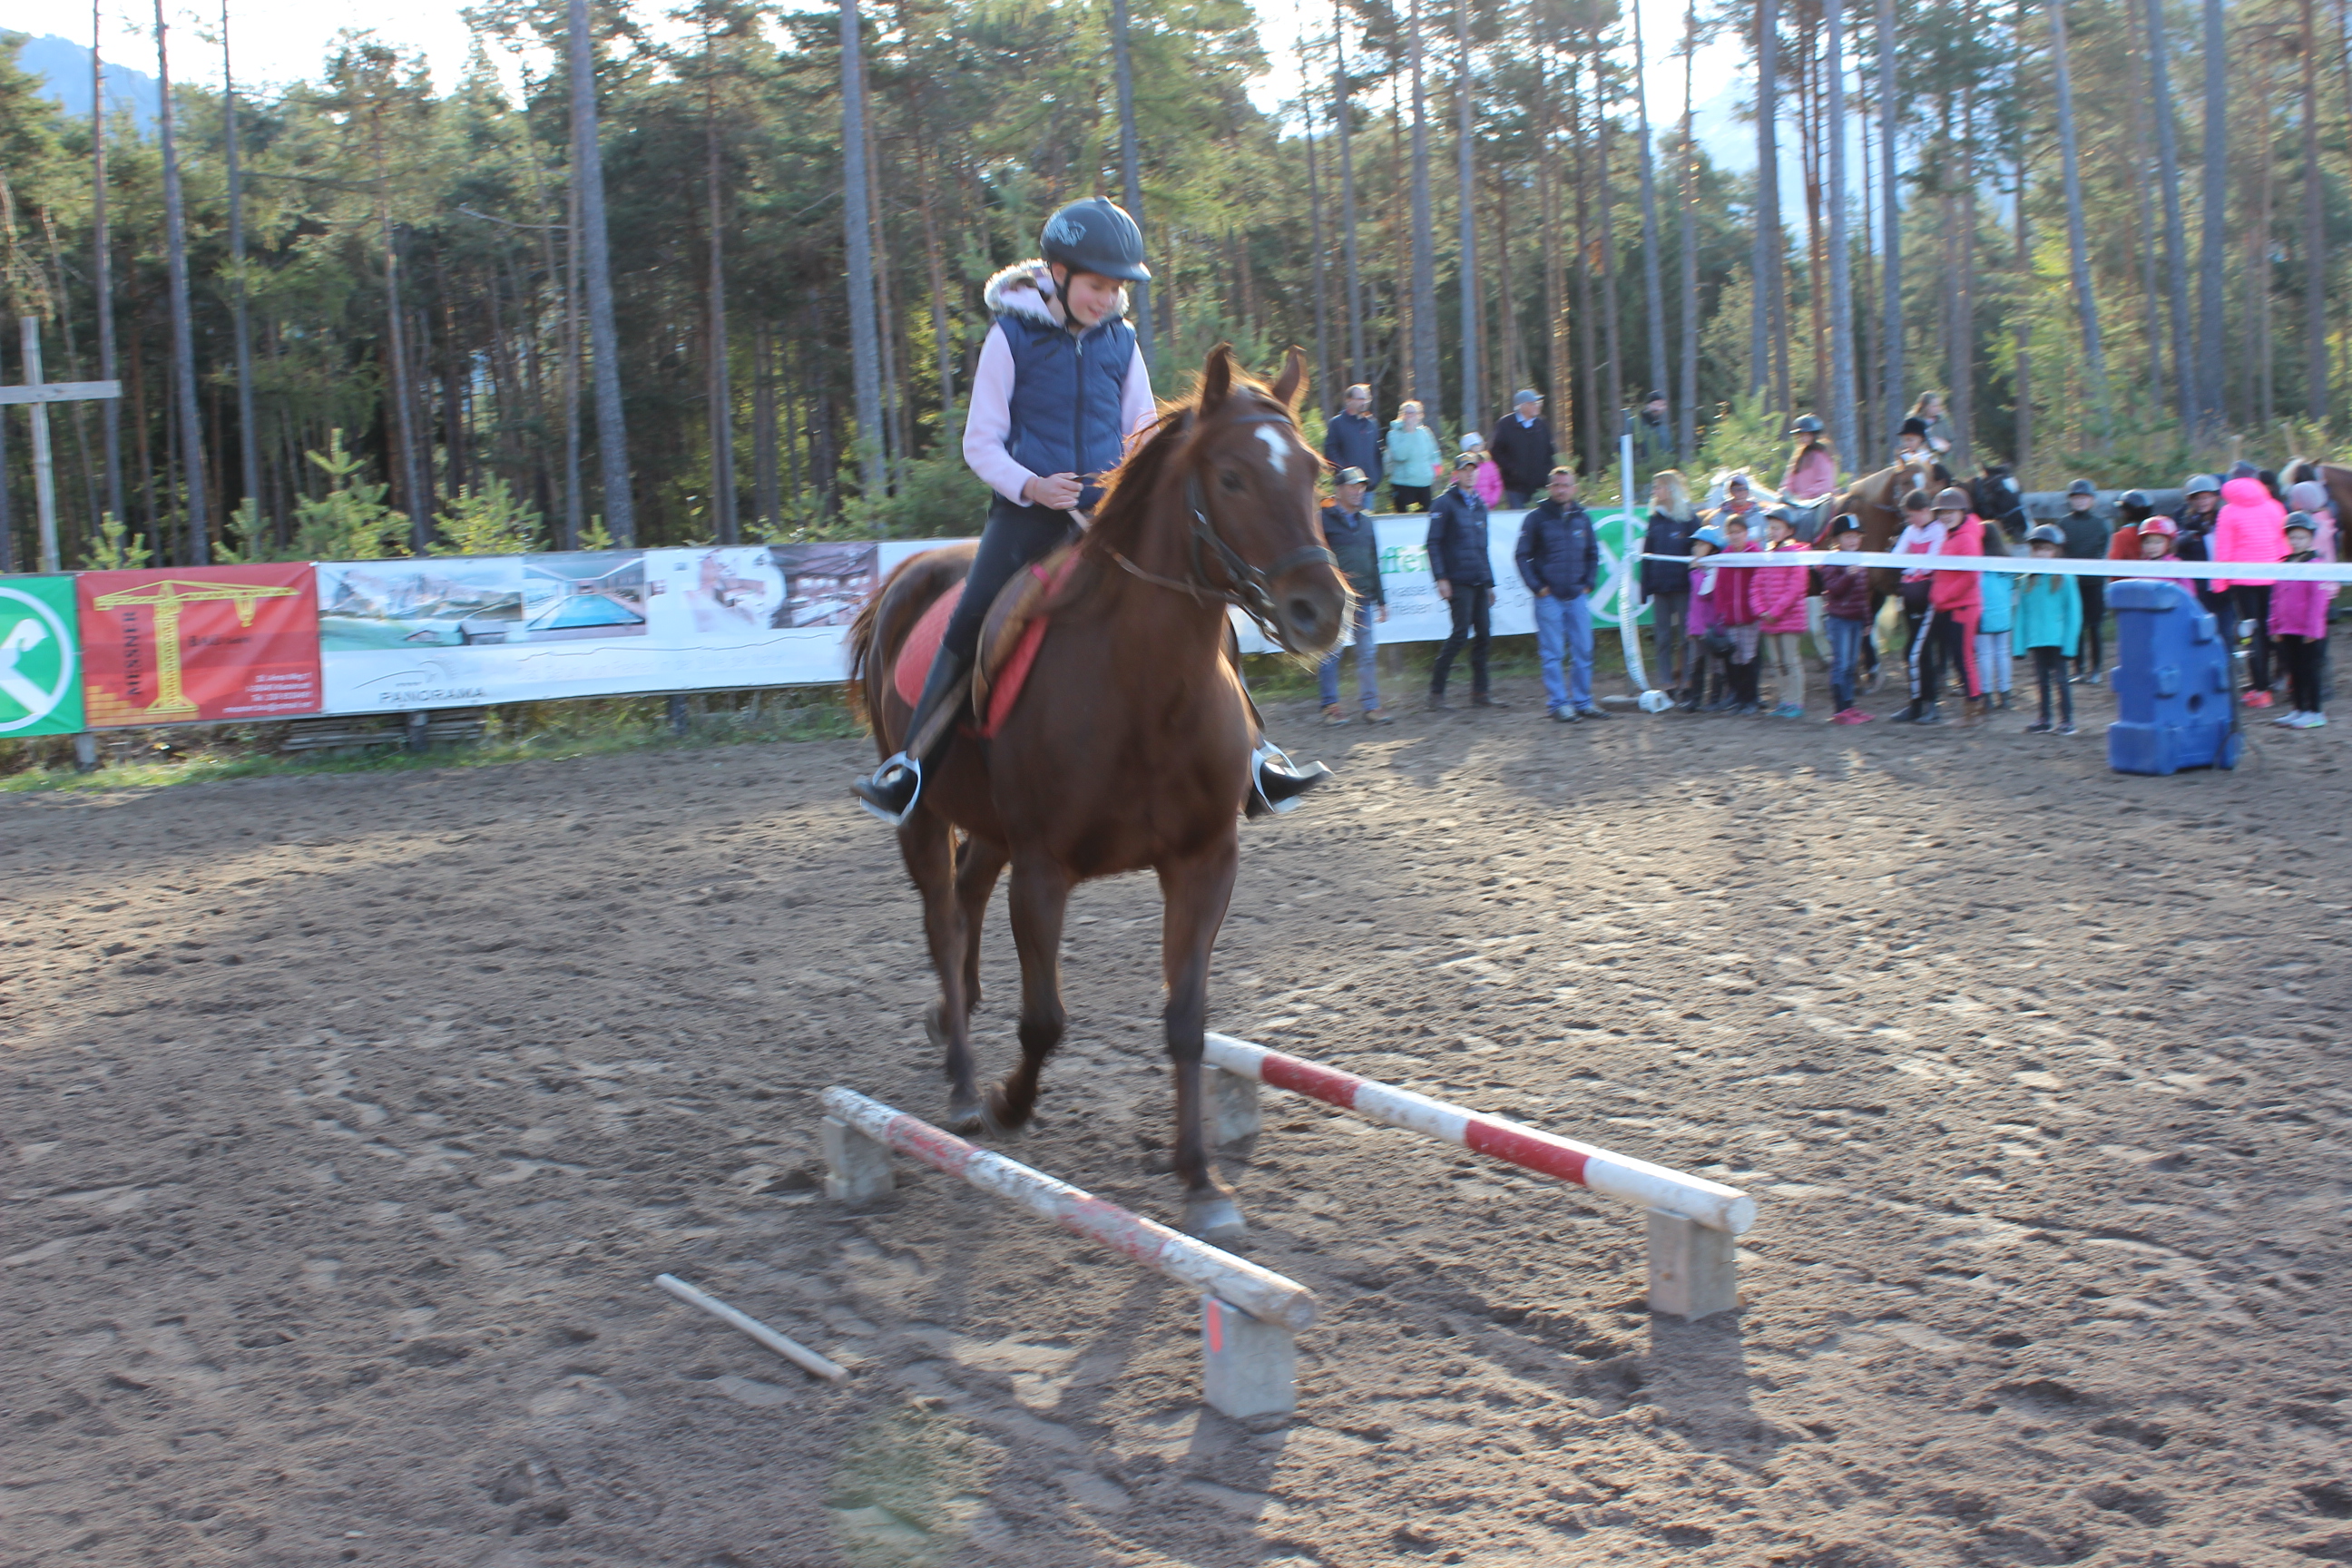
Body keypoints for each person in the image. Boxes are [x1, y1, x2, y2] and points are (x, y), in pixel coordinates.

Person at [853, 199, 1320, 824]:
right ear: (1058, 272)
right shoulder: (1009, 337)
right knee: (971, 618)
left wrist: (1139, 493)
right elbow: (980, 443)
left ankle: (1259, 759)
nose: (1108, 299)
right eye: (1097, 285)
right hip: (1027, 516)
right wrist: (1031, 486)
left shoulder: (1120, 342)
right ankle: (911, 767)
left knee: (1205, 613)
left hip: (1108, 518)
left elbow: (1142, 432)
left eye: (1117, 287)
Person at [1517, 466, 1607, 723]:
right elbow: (1522, 555)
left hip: (1577, 596)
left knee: (1584, 651)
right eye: (1556, 485)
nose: (1561, 490)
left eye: (1565, 485)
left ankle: (1583, 702)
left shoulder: (1583, 518)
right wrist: (1537, 587)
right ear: (1549, 488)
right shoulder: (1536, 519)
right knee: (1553, 653)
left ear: (1574, 488)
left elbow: (1593, 554)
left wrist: (1589, 583)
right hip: (1549, 598)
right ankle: (1558, 704)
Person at [1427, 454, 1503, 710]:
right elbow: (1433, 543)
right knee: (1460, 634)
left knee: (1484, 634)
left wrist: (1489, 583)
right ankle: (1436, 692)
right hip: (1457, 579)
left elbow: (1483, 547)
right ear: (1456, 474)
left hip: (1479, 578)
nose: (1470, 473)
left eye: (1473, 469)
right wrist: (1441, 578)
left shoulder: (1479, 504)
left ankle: (1480, 692)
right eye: (1465, 469)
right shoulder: (1444, 503)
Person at [1318, 467, 1392, 725]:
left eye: (1361, 486)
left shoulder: (1367, 522)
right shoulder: (1322, 520)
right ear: (1339, 490)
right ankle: (1331, 707)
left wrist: (1381, 600)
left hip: (1364, 598)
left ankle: (1371, 706)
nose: (1359, 491)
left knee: (1367, 653)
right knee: (1332, 652)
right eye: (1353, 486)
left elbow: (1374, 563)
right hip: (1334, 598)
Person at [2214, 473, 2289, 708]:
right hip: (2275, 577)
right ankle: (2291, 676)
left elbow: (2223, 549)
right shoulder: (2275, 506)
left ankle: (2261, 690)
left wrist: (2219, 583)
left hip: (2243, 582)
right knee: (2275, 629)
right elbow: (2284, 543)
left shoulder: (2228, 512)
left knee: (2251, 634)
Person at [2014, 524, 2083, 735]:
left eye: (2047, 549)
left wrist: (2070, 645)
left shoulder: (2065, 579)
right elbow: (2021, 614)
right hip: (2037, 639)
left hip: (2058, 640)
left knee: (2061, 680)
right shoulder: (2026, 581)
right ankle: (2044, 718)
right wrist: (2019, 645)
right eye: (2037, 549)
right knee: (2041, 680)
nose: (2041, 553)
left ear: (2057, 551)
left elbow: (2074, 613)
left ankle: (2067, 720)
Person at [1927, 485, 1987, 723]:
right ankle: (1974, 703)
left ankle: (1974, 704)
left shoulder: (1965, 539)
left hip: (1963, 606)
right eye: (1942, 513)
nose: (1946, 516)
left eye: (1950, 512)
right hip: (1953, 606)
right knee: (1960, 656)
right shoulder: (1950, 536)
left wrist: (1944, 596)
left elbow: (1971, 575)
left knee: (1963, 657)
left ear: (1962, 512)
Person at [2269, 513, 2333, 729]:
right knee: (2293, 670)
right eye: (2293, 537)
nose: (2296, 541)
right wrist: (2274, 625)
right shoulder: (2284, 563)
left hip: (2308, 631)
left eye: (2301, 537)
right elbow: (2276, 597)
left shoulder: (2316, 565)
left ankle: (2315, 711)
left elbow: (2318, 602)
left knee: (2310, 671)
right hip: (2287, 629)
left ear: (2310, 538)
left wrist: (2313, 631)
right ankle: (2298, 709)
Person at [1641, 469, 1700, 696]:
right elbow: (1647, 554)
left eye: (1658, 487)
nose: (1655, 491)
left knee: (1686, 635)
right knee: (1663, 637)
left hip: (1683, 587)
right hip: (1660, 587)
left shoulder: (1689, 518)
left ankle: (1687, 679)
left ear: (1671, 488)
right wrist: (1645, 587)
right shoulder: (1654, 520)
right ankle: (1666, 680)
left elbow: (1699, 550)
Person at [1889, 488, 1944, 721]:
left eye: (1912, 515)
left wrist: (1911, 569)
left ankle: (1931, 705)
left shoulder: (1939, 530)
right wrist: (1914, 569)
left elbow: (1931, 564)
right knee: (1913, 651)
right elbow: (1896, 558)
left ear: (1925, 510)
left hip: (1929, 597)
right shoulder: (1911, 531)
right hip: (1911, 596)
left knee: (1919, 651)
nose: (1909, 520)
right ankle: (1917, 703)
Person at [1753, 507, 1811, 716]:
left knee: (1790, 660)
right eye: (1770, 527)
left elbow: (1796, 588)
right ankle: (1785, 700)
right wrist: (1761, 610)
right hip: (1769, 620)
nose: (1772, 531)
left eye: (1777, 527)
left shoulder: (1796, 556)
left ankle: (1796, 702)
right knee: (1777, 662)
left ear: (1789, 531)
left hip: (1789, 619)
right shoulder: (1767, 557)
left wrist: (1775, 611)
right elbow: (1756, 586)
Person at [1820, 514, 1873, 723]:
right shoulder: (1831, 561)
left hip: (1856, 619)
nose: (1853, 540)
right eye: (1848, 536)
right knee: (1841, 664)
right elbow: (1833, 590)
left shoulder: (1860, 561)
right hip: (1839, 619)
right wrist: (1848, 576)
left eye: (1856, 536)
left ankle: (1849, 705)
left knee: (1851, 665)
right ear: (1837, 540)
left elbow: (1863, 594)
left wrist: (1867, 620)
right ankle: (1840, 708)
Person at [2057, 479, 2109, 685]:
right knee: (2075, 625)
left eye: (2084, 498)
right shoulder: (2063, 524)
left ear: (2091, 500)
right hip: (2072, 583)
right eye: (2076, 498)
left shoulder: (2100, 524)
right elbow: (2060, 550)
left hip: (2094, 582)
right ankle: (2078, 668)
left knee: (2095, 627)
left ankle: (2096, 669)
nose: (2080, 501)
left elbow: (2102, 550)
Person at [1714, 514, 1767, 714]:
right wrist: (1721, 611)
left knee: (1749, 658)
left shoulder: (1756, 554)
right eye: (1732, 532)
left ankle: (1751, 699)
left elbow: (1762, 583)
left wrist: (1758, 609)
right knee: (1734, 659)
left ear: (1746, 533)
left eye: (1739, 532)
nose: (1735, 536)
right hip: (1730, 618)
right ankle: (1738, 698)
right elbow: (1720, 586)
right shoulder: (1724, 556)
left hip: (1750, 617)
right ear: (1727, 535)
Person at [1684, 524, 1730, 711]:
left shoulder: (1715, 569)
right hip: (1697, 625)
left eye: (1702, 545)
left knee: (1716, 664)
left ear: (1713, 548)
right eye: (1696, 545)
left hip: (1711, 626)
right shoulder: (1702, 568)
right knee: (1696, 662)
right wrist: (1690, 625)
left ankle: (1715, 700)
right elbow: (1693, 603)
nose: (1696, 548)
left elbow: (1703, 593)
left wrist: (1694, 572)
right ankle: (1695, 699)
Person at [2175, 473, 2230, 629]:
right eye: (2198, 498)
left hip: (2223, 582)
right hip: (2199, 584)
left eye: (2207, 497)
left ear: (2215, 497)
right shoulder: (2184, 520)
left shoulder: (2223, 517)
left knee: (2225, 625)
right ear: (2190, 501)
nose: (2203, 502)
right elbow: (2176, 547)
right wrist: (2189, 536)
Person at [1489, 389, 1555, 507]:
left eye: (1538, 403)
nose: (1538, 406)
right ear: (1522, 406)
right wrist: (1512, 470)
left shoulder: (1541, 425)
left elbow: (1550, 452)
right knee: (1518, 516)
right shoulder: (1506, 424)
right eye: (1534, 403)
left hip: (1539, 487)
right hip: (1515, 487)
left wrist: (1547, 473)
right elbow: (1496, 451)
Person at [1976, 526, 2015, 710]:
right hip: (2004, 614)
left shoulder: (1976, 563)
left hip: (1982, 615)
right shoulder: (2007, 563)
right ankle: (2005, 693)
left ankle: (1987, 695)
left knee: (1984, 655)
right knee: (2003, 653)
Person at [1323, 384, 1383, 496]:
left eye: (1366, 399)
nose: (1364, 402)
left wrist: (1376, 477)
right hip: (1347, 487)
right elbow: (1331, 452)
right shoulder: (1337, 423)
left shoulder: (1372, 424)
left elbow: (1377, 453)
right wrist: (1346, 474)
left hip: (1368, 488)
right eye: (1360, 399)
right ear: (1349, 400)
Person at [1385, 401, 1442, 511]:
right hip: (1403, 484)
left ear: (1420, 415)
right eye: (1407, 413)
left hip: (1425, 484)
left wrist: (1433, 473)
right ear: (1401, 415)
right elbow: (1400, 456)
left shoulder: (1425, 432)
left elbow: (1434, 454)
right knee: (1404, 518)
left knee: (1426, 516)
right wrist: (1409, 433)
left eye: (1413, 413)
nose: (1410, 416)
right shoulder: (1394, 433)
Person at [2137, 516, 2198, 596]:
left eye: (2158, 542)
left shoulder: (2176, 565)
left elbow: (2189, 593)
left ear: (2169, 544)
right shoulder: (2141, 566)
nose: (2152, 547)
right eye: (2147, 542)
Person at [1780, 416, 1838, 499]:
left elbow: (1825, 484)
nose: (1803, 438)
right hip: (1800, 502)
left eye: (1806, 435)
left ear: (1814, 435)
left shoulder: (1822, 455)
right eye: (1801, 435)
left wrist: (1804, 496)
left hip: (1820, 501)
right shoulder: (1799, 456)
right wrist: (1785, 492)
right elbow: (1790, 480)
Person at [1632, 391, 1673, 471]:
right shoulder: (1634, 424)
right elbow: (1622, 449)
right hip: (1640, 474)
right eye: (1655, 404)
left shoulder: (1663, 429)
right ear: (1647, 405)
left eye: (1661, 405)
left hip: (1661, 473)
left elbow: (1669, 452)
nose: (1658, 408)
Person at [1461, 432, 1504, 506]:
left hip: (1487, 507)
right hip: (1468, 507)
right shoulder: (1462, 466)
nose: (1478, 448)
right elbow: (1456, 486)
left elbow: (1497, 485)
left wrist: (1492, 501)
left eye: (1479, 445)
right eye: (1474, 446)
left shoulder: (1490, 465)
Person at [1909, 391, 1956, 456]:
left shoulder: (1942, 421)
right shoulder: (1914, 422)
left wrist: (1947, 447)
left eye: (1939, 405)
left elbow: (1952, 441)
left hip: (1940, 460)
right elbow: (1908, 442)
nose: (1938, 408)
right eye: (1934, 406)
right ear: (1925, 406)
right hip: (1920, 459)